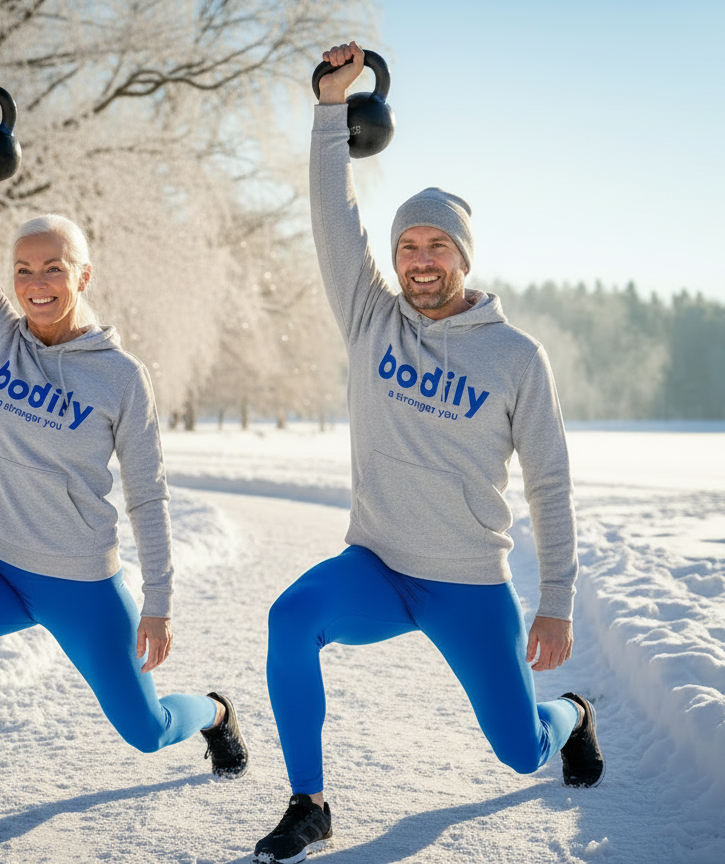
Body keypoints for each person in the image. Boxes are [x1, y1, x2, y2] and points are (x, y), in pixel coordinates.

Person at [0, 77, 248, 858]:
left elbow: (148, 495)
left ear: (83, 275)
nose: (36, 285)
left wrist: (159, 603)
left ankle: (214, 712)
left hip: (82, 585)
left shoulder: (121, 378)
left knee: (146, 731)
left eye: (54, 268)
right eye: (25, 270)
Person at [252, 43, 603, 864]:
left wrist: (556, 600)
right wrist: (330, 109)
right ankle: (310, 804)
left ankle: (572, 715)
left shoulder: (517, 357)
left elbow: (550, 485)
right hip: (376, 564)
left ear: (463, 257)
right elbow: (332, 215)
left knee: (519, 750)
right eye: (407, 245)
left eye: (435, 246)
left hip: (467, 583)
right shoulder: (371, 317)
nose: (418, 260)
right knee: (290, 618)